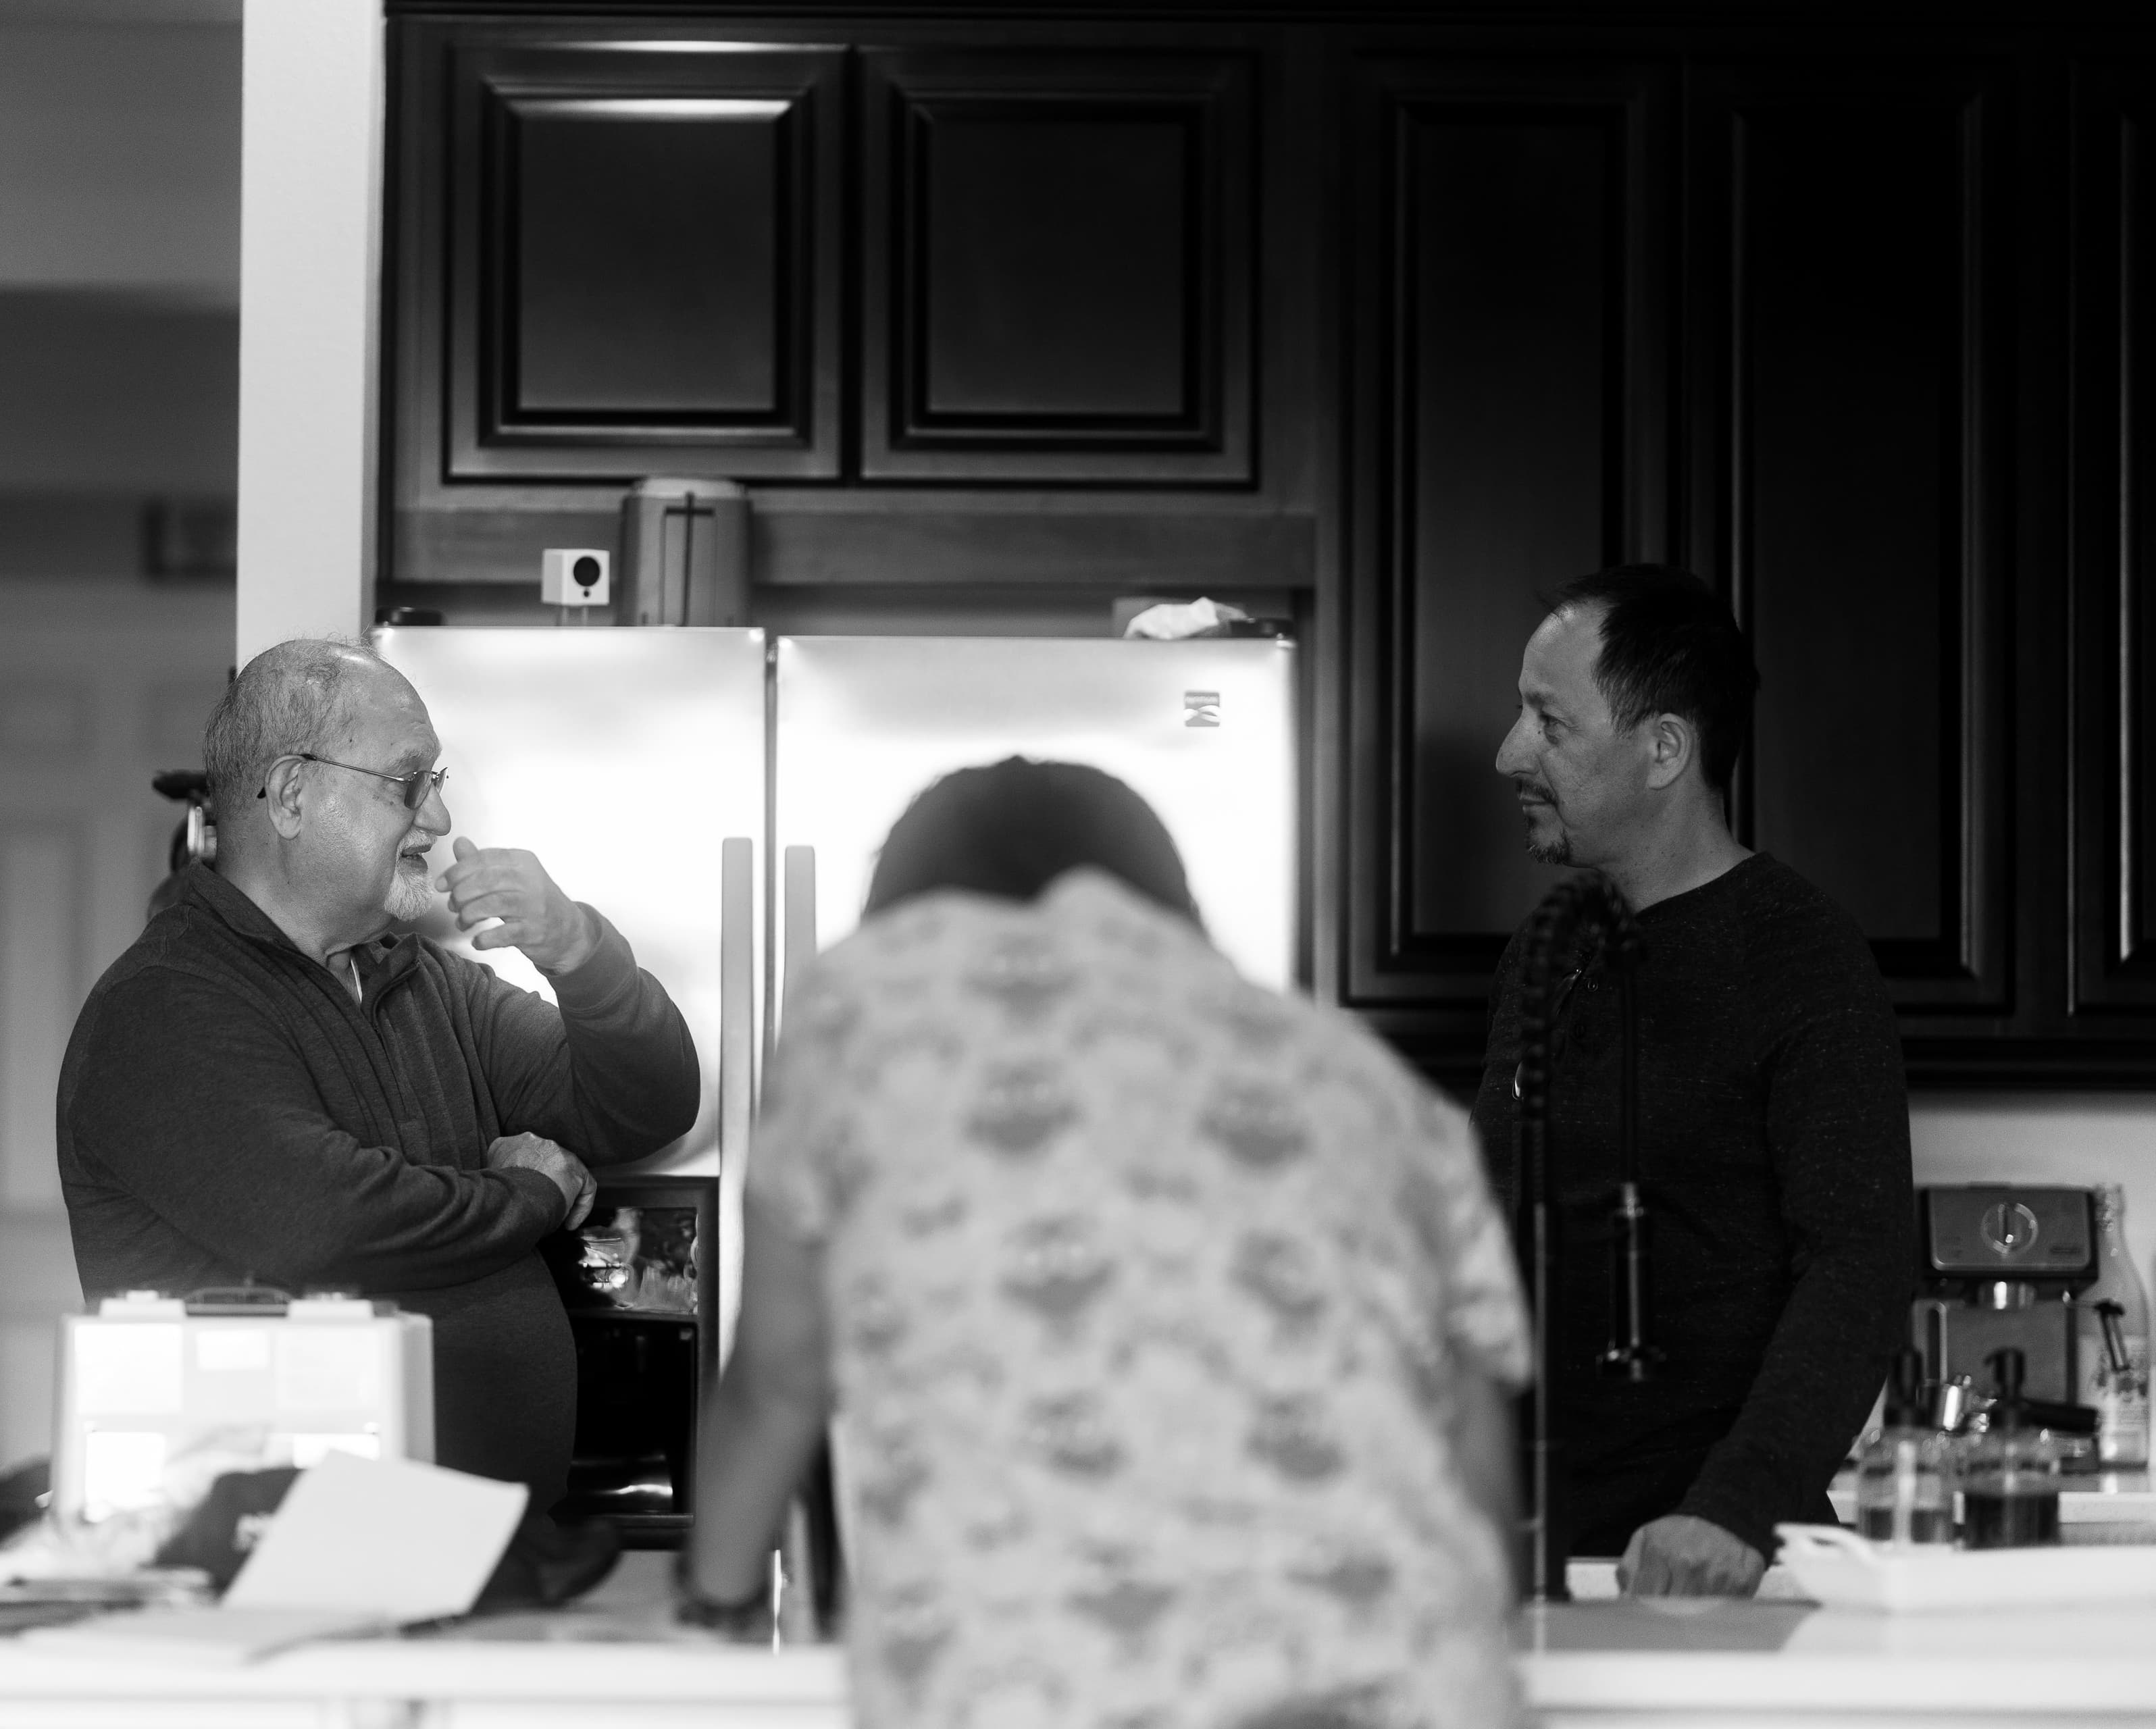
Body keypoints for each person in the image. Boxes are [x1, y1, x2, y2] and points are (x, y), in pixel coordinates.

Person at [688, 758, 1528, 1729]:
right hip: (1412, 1689)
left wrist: (719, 1598)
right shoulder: (1369, 1080)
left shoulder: (866, 1007)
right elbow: (1479, 1491)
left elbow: (780, 1381)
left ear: (905, 905)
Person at [56, 638, 699, 1511]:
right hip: (277, 1577)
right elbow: (324, 1223)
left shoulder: (417, 979)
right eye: (408, 784)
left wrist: (581, 953)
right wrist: (527, 1193)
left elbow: (644, 1108)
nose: (436, 822)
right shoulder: (162, 1008)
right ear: (291, 795)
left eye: (435, 784)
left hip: (460, 1557)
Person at [1473, 565, 1916, 1596]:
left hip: (1702, 1572)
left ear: (1664, 748)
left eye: (1549, 721)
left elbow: (1860, 1267)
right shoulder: (1545, 956)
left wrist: (1733, 1510)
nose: (1509, 754)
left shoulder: (1799, 956)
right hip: (1537, 1566)